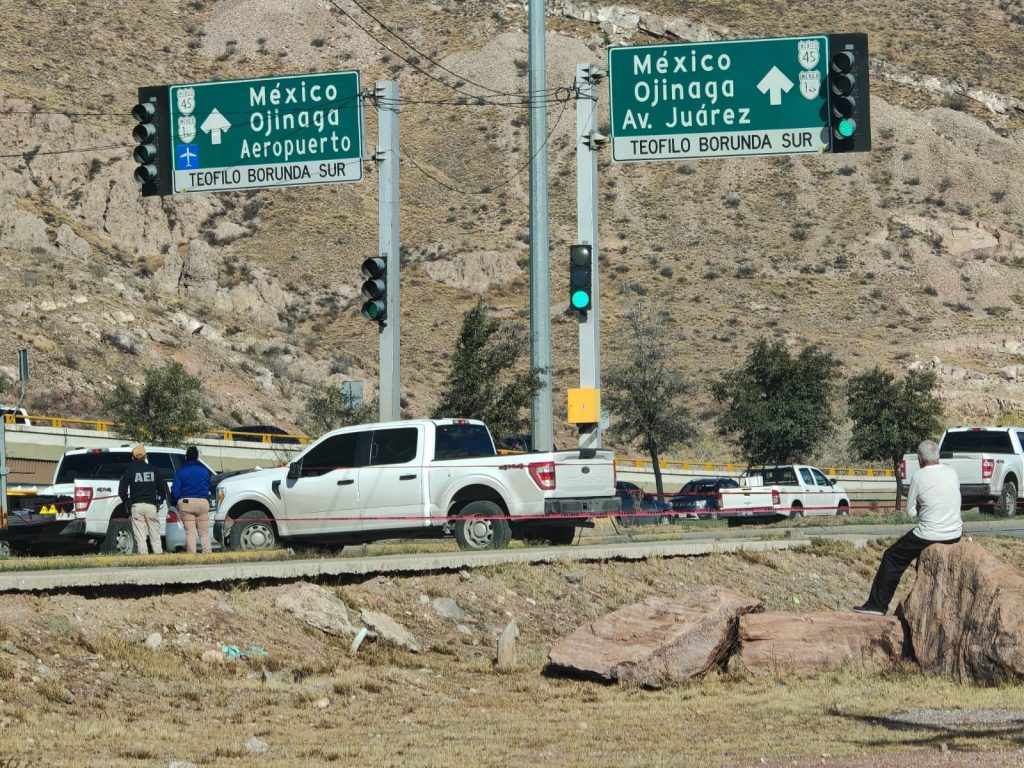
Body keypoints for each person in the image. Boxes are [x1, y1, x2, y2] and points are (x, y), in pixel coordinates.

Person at [853, 439, 962, 616]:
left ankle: (876, 605)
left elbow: (910, 512)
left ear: (919, 458)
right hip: (955, 533)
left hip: (929, 534)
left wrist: (921, 506)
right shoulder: (952, 472)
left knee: (892, 557)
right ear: (938, 456)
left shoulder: (919, 476)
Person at [118, 445, 167, 555]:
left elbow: (122, 490)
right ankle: (158, 554)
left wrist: (127, 502)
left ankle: (143, 556)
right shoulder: (154, 469)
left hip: (136, 505)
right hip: (151, 505)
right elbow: (162, 488)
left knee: (140, 535)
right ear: (146, 456)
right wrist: (160, 500)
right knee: (155, 533)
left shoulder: (129, 470)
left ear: (132, 457)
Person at [171, 445, 213, 554]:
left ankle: (191, 555)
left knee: (190, 532)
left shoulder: (181, 471)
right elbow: (208, 485)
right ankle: (208, 553)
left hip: (187, 503)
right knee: (204, 532)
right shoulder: (205, 471)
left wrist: (175, 502)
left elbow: (175, 491)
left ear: (186, 457)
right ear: (197, 457)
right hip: (203, 502)